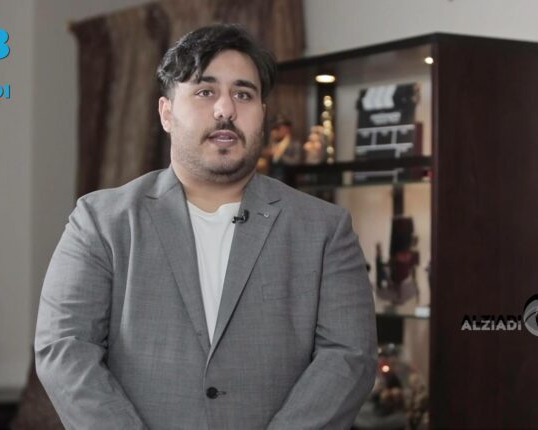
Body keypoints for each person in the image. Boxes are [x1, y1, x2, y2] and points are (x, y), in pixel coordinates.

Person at [35, 23, 377, 430]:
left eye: (243, 94)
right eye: (205, 92)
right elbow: (65, 348)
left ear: (263, 114)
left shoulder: (324, 229)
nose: (225, 109)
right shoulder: (100, 221)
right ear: (166, 113)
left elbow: (349, 356)